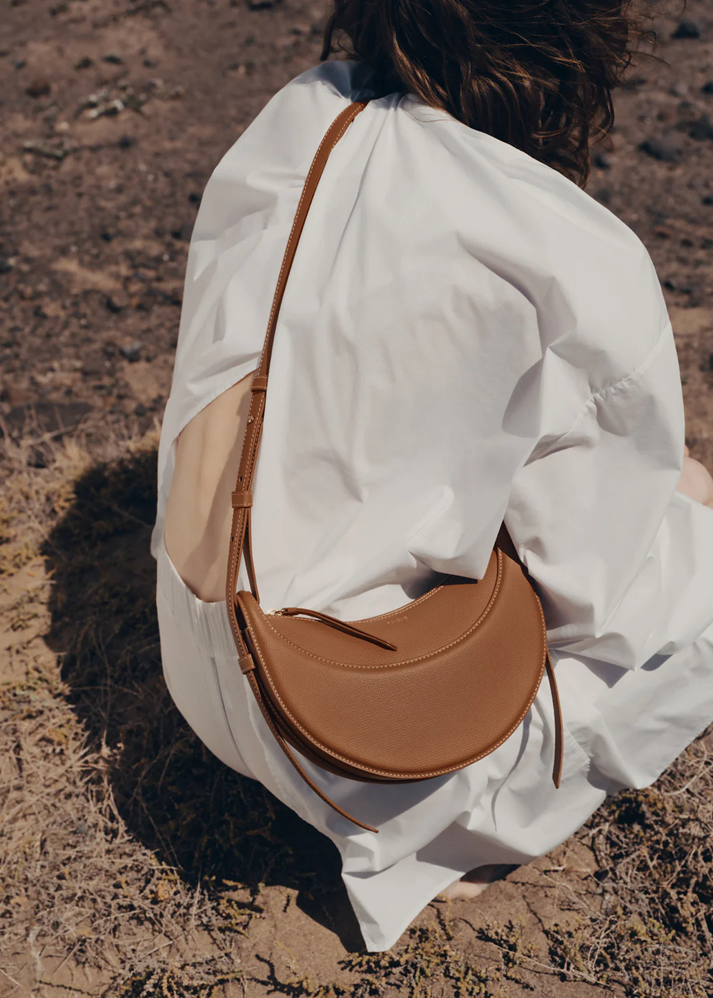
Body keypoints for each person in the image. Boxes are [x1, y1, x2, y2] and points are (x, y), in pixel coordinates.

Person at [151, 0, 713, 951]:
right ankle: (458, 830)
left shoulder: (298, 116)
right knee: (686, 530)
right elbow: (590, 593)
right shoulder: (558, 242)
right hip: (353, 743)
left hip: (202, 669)